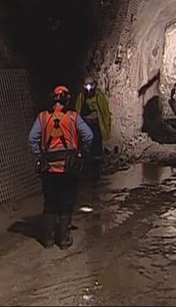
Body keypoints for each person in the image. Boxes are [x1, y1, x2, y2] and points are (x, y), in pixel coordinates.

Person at [28, 85, 93, 250]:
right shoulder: (73, 117)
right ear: (67, 100)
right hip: (68, 168)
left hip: (49, 168)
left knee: (50, 203)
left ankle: (48, 240)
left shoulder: (43, 118)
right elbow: (89, 136)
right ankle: (63, 240)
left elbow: (32, 139)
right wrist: (81, 152)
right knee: (66, 201)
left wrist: (39, 155)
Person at [74, 77, 111, 187]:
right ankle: (86, 172)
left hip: (96, 125)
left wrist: (106, 125)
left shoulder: (99, 96)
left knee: (96, 150)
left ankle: (95, 174)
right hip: (85, 126)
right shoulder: (81, 97)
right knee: (85, 149)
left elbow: (105, 111)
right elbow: (77, 111)